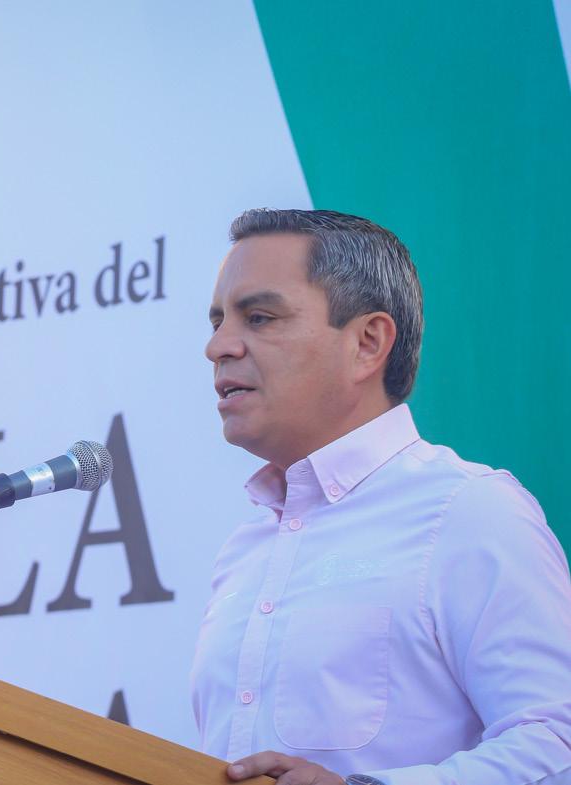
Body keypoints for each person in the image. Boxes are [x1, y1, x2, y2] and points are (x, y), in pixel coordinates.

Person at [190, 209, 571, 784]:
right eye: (218, 321)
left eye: (260, 317)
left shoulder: (467, 512)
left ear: (368, 343)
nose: (217, 346)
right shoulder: (244, 551)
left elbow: (557, 742)